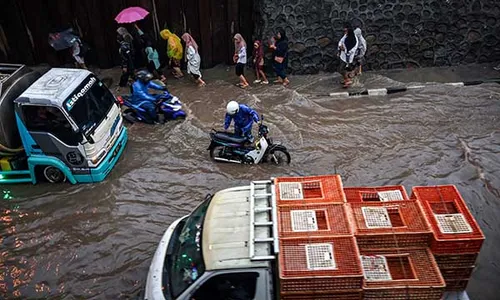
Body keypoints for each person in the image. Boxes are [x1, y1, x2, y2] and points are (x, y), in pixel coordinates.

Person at [338, 22, 359, 88]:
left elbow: (353, 49)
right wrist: (340, 46)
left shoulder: (354, 39)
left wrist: (345, 50)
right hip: (343, 56)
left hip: (347, 57)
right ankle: (346, 79)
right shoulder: (346, 35)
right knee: (342, 69)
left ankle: (347, 80)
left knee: (342, 69)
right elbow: (341, 41)